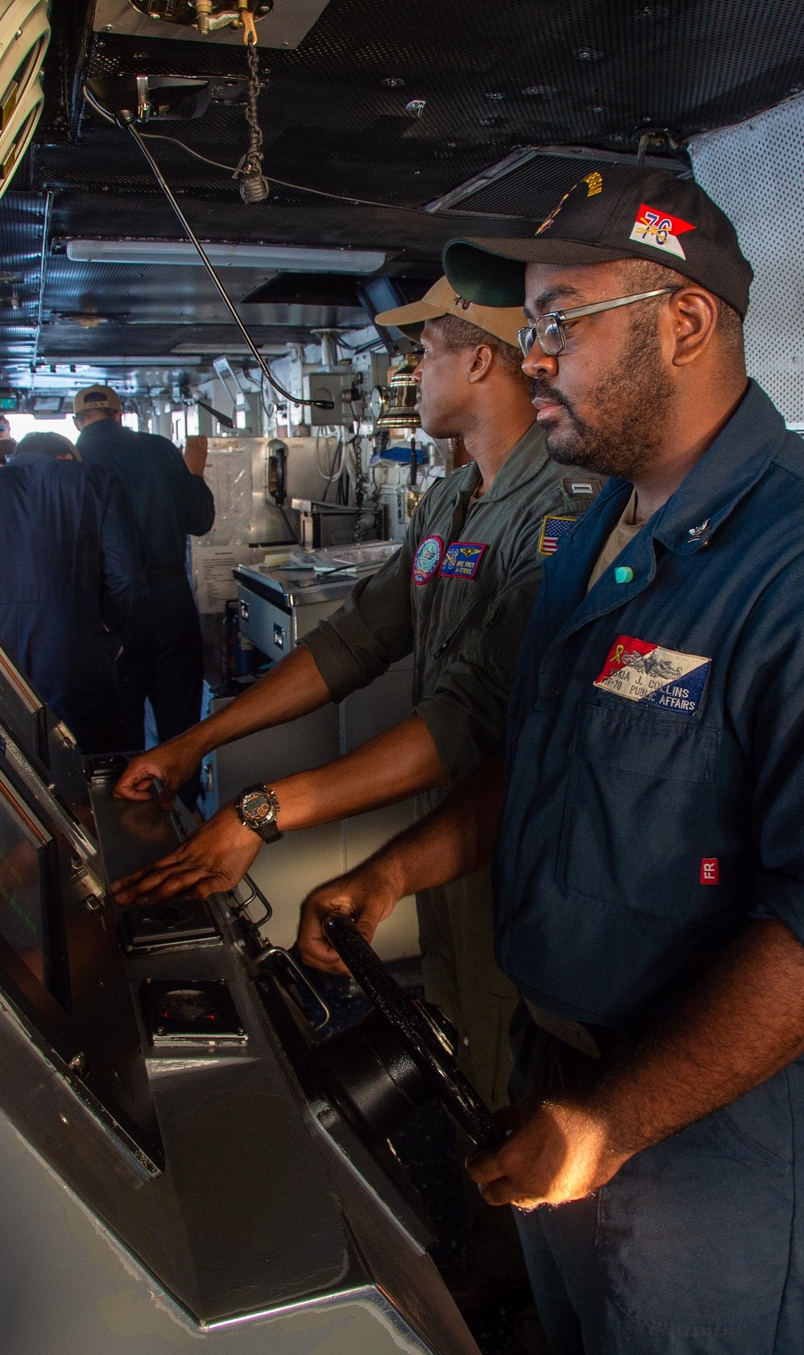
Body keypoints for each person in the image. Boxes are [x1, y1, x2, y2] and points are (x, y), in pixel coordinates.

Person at [294, 165, 804, 1355]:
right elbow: (538, 761)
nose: (534, 355)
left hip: (715, 1147)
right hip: (557, 1079)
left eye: (560, 322)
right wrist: (397, 872)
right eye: (529, 325)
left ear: (686, 321)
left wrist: (608, 1126)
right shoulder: (599, 531)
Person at [110, 279, 599, 1121]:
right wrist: (195, 741)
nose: (415, 370)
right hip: (441, 831)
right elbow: (358, 640)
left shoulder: (562, 511)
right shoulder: (454, 499)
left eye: (427, 352)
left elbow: (467, 715)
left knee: (512, 1062)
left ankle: (507, 1232)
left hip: (516, 841)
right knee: (455, 1026)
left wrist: (263, 811)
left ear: (481, 359)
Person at [0, 430, 145, 752]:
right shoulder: (95, 479)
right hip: (78, 646)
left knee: (12, 755)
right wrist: (113, 635)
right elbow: (127, 578)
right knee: (95, 758)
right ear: (64, 456)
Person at [72, 386, 214, 780]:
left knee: (121, 727)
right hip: (171, 601)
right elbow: (200, 521)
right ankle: (182, 812)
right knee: (180, 726)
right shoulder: (160, 449)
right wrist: (195, 472)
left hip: (110, 611)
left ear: (77, 422)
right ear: (121, 414)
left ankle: (129, 814)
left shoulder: (75, 464)